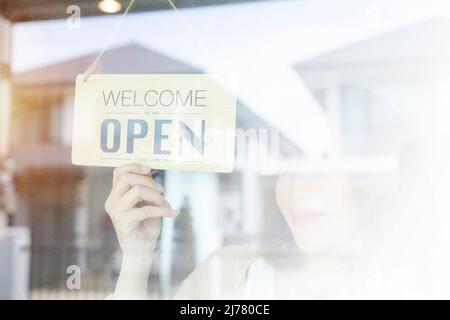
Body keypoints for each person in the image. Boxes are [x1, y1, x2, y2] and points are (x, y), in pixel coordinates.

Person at [106, 163, 363, 299]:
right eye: (287, 166)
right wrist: (136, 259)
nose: (297, 188)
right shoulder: (228, 272)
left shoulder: (397, 282)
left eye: (323, 165)